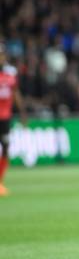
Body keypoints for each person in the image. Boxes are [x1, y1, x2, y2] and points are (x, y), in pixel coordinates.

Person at [0, 44, 27, 196]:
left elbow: (16, 94)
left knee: (5, 148)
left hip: (5, 119)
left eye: (2, 54)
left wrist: (22, 112)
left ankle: (0, 181)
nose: (1, 57)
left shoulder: (10, 75)